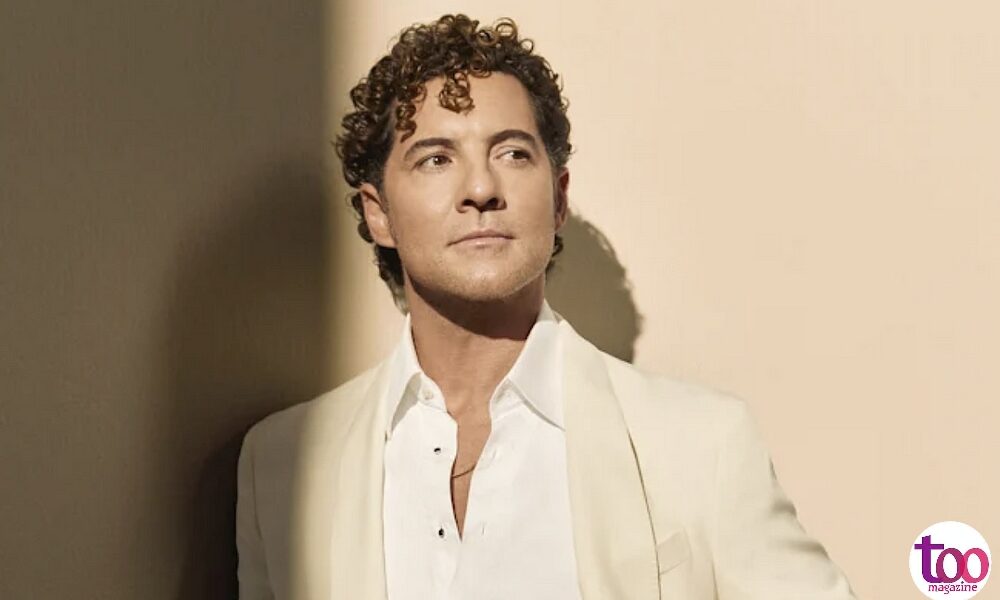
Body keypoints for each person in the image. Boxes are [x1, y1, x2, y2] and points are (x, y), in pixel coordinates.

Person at [235, 13, 857, 600]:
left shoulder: (701, 443)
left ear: (558, 199)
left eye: (512, 153)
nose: (481, 188)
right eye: (436, 158)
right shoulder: (281, 465)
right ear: (378, 214)